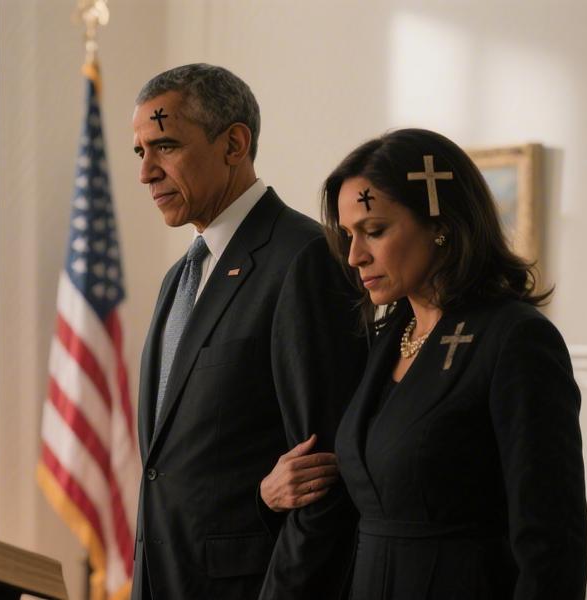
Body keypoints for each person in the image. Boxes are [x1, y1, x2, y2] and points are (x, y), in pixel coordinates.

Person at [263, 128, 587, 598]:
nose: (354, 256)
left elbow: (552, 543)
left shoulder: (515, 339)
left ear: (441, 224)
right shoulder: (386, 339)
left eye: (375, 231)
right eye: (349, 235)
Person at [129, 63, 367, 600]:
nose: (146, 172)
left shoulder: (306, 258)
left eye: (165, 146)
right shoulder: (179, 276)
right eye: (140, 152)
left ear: (234, 144)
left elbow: (324, 478)